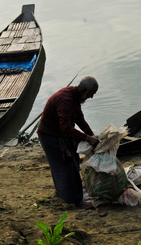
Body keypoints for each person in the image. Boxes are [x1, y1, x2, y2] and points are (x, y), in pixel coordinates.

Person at [37, 76, 100, 208]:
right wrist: (87, 138)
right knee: (66, 166)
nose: (91, 97)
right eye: (91, 94)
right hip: (50, 135)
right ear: (83, 90)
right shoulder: (66, 99)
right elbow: (65, 127)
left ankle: (64, 192)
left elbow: (80, 120)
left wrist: (91, 135)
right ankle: (76, 201)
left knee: (73, 161)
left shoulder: (75, 97)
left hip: (59, 134)